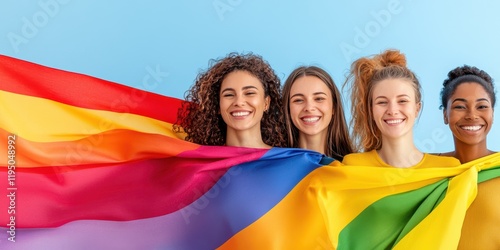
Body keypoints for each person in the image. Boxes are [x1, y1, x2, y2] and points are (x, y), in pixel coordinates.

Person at [342, 49, 460, 168]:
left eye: (402, 101)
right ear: (370, 110)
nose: (392, 110)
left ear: (417, 108)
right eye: (382, 102)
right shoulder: (353, 166)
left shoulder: (447, 168)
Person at [438, 65, 500, 249]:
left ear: (492, 114)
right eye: (459, 106)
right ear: (445, 115)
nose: (472, 115)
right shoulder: (428, 170)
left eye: (482, 106)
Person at [174, 52, 287, 148]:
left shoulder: (289, 162)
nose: (238, 102)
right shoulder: (202, 162)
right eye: (229, 95)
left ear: (266, 103)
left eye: (249, 93)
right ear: (217, 105)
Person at [282, 66, 353, 161]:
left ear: (334, 107)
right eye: (298, 100)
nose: (309, 108)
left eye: (319, 99)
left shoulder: (355, 166)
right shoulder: (274, 167)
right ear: (287, 109)